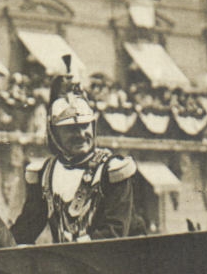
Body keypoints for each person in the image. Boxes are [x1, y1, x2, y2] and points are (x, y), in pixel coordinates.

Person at [11, 58, 137, 244]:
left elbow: (115, 231)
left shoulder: (112, 171)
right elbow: (26, 229)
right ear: (55, 134)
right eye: (70, 129)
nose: (80, 134)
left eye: (85, 126)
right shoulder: (44, 174)